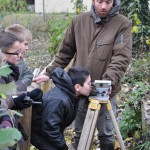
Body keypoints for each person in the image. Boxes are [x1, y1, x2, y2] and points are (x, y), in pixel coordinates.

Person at [33, 0, 132, 149]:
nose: (104, 6)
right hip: (80, 92)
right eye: (100, 1)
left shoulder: (122, 24)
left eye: (108, 2)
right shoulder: (78, 21)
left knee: (106, 134)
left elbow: (121, 57)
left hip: (106, 91)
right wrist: (49, 72)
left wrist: (108, 82)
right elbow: (65, 52)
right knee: (79, 132)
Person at [31, 66, 91, 150]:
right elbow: (50, 128)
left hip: (49, 132)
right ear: (77, 87)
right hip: (40, 134)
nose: (91, 86)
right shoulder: (59, 101)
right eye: (89, 84)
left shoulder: (71, 92)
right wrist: (63, 146)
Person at [0, 31, 43, 147]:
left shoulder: (7, 73)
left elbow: (6, 96)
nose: (20, 55)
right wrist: (14, 101)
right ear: (2, 54)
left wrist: (25, 94)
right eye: (16, 53)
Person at [5, 24, 33, 92]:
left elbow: (28, 74)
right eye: (25, 44)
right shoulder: (3, 63)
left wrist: (22, 84)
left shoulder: (20, 60)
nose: (27, 48)